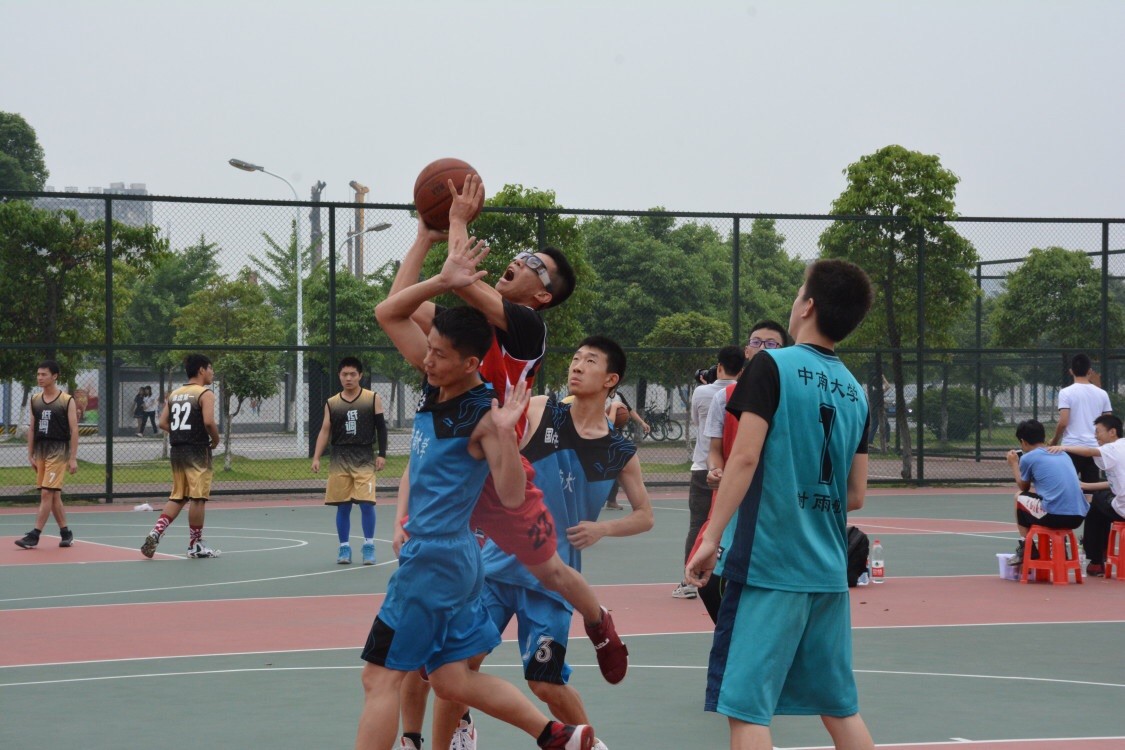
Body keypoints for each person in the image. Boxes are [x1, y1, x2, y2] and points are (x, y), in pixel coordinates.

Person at [388, 175, 628, 686]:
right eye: (522, 254)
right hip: (453, 467)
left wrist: (456, 220)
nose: (520, 259)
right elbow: (400, 303)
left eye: (534, 264)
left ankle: (598, 620)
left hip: (499, 468)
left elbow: (459, 279)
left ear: (541, 294)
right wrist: (424, 238)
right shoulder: (462, 335)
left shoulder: (527, 328)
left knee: (549, 571)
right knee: (434, 641)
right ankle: (445, 717)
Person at [363, 256, 594, 750]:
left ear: (469, 363)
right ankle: (553, 734)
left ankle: (598, 624)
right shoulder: (438, 387)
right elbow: (390, 311)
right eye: (429, 349)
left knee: (379, 679)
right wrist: (438, 257)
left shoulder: (484, 413)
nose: (427, 360)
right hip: (462, 558)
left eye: (439, 354)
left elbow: (511, 495)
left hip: (433, 561)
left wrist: (506, 434)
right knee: (452, 679)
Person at [403, 336, 654, 750]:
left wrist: (603, 529)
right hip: (495, 566)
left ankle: (589, 743)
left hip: (553, 580)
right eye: (575, 358)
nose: (577, 366)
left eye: (590, 361)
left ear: (611, 379)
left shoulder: (619, 450)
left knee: (545, 682)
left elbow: (645, 515)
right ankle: (452, 739)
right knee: (458, 667)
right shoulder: (540, 410)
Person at [685, 260, 876, 750]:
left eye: (797, 294)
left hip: (768, 566)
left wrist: (710, 539)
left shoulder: (770, 367)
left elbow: (744, 458)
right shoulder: (856, 393)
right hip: (828, 570)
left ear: (807, 306)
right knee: (840, 710)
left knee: (745, 711)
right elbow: (855, 494)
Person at [694, 321, 789, 621]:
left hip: (774, 504)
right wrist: (716, 469)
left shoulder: (790, 396)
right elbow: (714, 449)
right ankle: (735, 637)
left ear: (783, 351)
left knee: (762, 586)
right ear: (747, 350)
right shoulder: (724, 397)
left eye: (771, 344)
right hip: (731, 501)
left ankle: (744, 638)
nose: (762, 348)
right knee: (708, 581)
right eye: (756, 342)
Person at [672, 345, 744, 600]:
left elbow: (695, 420)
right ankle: (728, 577)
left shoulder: (703, 392)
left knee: (699, 524)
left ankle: (689, 580)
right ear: (742, 369)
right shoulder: (746, 393)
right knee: (733, 525)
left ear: (719, 366)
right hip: (735, 470)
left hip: (705, 467)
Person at [139, 354, 222, 559]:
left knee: (179, 496)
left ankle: (156, 532)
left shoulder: (175, 394)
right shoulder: (205, 394)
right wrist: (215, 439)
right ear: (201, 370)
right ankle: (195, 545)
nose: (212, 372)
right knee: (198, 497)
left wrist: (180, 432)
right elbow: (209, 421)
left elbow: (162, 422)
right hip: (198, 450)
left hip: (177, 450)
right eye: (210, 368)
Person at [311, 356, 388, 565]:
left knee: (366, 503)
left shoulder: (372, 398)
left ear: (360, 375)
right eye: (344, 374)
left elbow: (381, 428)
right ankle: (344, 548)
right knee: (343, 506)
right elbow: (324, 430)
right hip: (340, 458)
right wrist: (316, 457)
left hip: (364, 457)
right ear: (339, 376)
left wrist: (382, 453)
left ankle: (369, 546)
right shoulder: (332, 403)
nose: (348, 378)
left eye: (353, 374)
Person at [1047, 413, 1125, 577]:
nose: (1095, 436)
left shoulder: (1112, 448)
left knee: (1095, 504)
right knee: (1101, 501)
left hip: (1123, 509)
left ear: (1112, 432)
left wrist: (1064, 447)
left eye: (1098, 431)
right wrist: (1085, 485)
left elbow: (1089, 451)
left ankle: (1096, 560)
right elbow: (1116, 483)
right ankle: (1100, 552)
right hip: (1118, 503)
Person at [1004, 419, 1088, 568]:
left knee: (1019, 497)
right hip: (1078, 516)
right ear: (1043, 437)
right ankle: (1060, 548)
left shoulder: (1028, 457)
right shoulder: (1063, 454)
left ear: (1023, 442)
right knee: (1048, 500)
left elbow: (1023, 487)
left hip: (1055, 516)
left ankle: (1027, 547)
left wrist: (1014, 464)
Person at [15, 359, 79, 549]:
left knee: (46, 493)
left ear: (54, 376)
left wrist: (73, 457)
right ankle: (66, 533)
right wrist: (30, 454)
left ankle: (34, 535)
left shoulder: (66, 400)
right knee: (54, 495)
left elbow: (74, 430)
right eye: (38, 374)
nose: (40, 377)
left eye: (44, 374)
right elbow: (32, 428)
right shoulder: (35, 399)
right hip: (41, 450)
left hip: (58, 450)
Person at [1050, 353, 1112, 482]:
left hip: (1071, 447)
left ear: (1071, 371)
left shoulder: (1065, 393)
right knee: (1091, 486)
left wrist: (1054, 440)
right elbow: (1108, 421)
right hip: (1093, 448)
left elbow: (1063, 422)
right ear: (1090, 371)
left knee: (1068, 485)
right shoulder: (1102, 394)